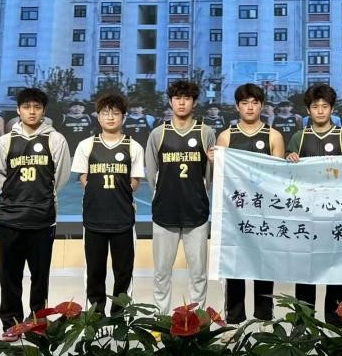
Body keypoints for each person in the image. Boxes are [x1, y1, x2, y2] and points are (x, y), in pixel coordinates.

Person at [0, 88, 71, 340]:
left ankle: (37, 321)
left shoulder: (55, 140)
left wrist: (41, 198)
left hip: (42, 219)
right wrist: (15, 198)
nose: (32, 112)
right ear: (18, 110)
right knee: (9, 276)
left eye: (37, 107)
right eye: (26, 107)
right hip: (10, 218)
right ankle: (11, 323)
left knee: (40, 276)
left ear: (44, 110)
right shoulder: (5, 142)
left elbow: (60, 177)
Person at [286, 83, 342, 326]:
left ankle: (337, 327)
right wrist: (289, 159)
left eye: (325, 106)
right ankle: (303, 325)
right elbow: (288, 178)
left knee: (337, 273)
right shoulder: (299, 138)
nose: (320, 111)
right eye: (315, 107)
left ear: (332, 109)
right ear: (308, 110)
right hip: (307, 216)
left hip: (337, 216)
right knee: (306, 273)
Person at [215, 83, 286, 324]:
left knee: (263, 268)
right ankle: (234, 322)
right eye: (245, 103)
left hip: (264, 214)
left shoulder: (273, 136)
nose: (250, 107)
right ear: (237, 106)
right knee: (234, 268)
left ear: (262, 106)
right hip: (235, 215)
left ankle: (264, 322)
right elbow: (221, 177)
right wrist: (214, 161)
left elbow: (278, 178)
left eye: (255, 102)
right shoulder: (226, 136)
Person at [145, 80, 216, 314]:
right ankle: (161, 317)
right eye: (177, 98)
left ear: (194, 102)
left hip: (196, 212)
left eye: (187, 98)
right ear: (170, 102)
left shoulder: (206, 132)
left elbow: (210, 174)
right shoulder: (158, 133)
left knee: (198, 273)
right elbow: (151, 173)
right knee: (162, 272)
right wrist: (164, 195)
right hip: (165, 212)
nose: (182, 102)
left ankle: (197, 320)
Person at [71, 93, 145, 315]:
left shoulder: (134, 147)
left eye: (115, 113)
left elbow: (135, 181)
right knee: (95, 271)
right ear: (98, 116)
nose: (110, 117)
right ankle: (95, 315)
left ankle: (120, 316)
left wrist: (118, 192)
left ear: (124, 117)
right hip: (94, 218)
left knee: (124, 272)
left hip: (123, 219)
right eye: (105, 113)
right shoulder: (86, 145)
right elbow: (83, 177)